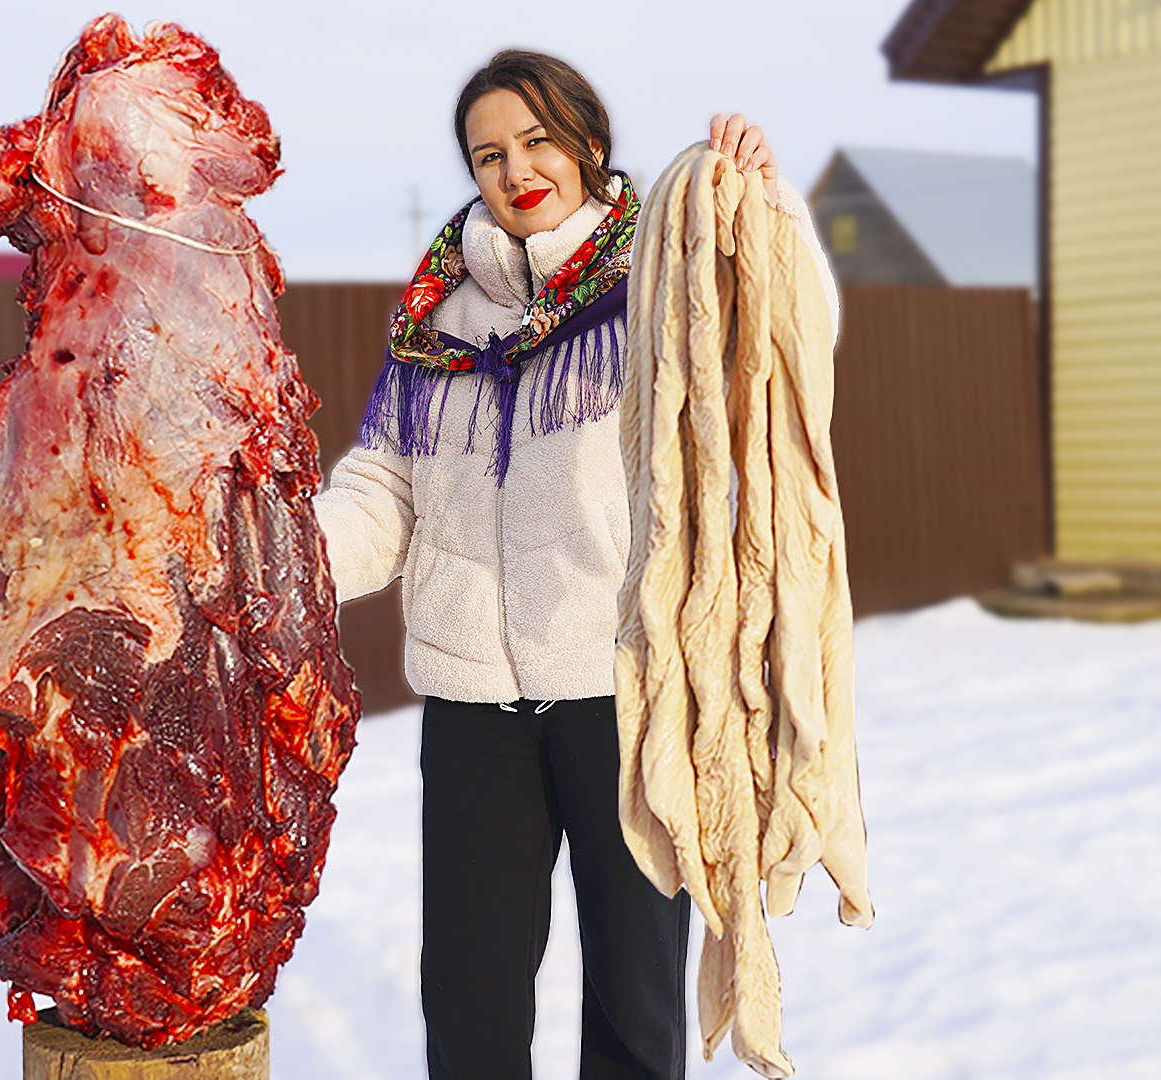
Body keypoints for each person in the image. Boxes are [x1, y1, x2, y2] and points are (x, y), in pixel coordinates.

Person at [312, 50, 837, 1080]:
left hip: (623, 694)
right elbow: (381, 492)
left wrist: (766, 207)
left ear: (589, 140)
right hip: (473, 709)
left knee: (637, 1001)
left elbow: (788, 325)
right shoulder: (437, 321)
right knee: (469, 995)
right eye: (488, 154)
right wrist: (274, 557)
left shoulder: (665, 274)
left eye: (537, 140)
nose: (516, 171)